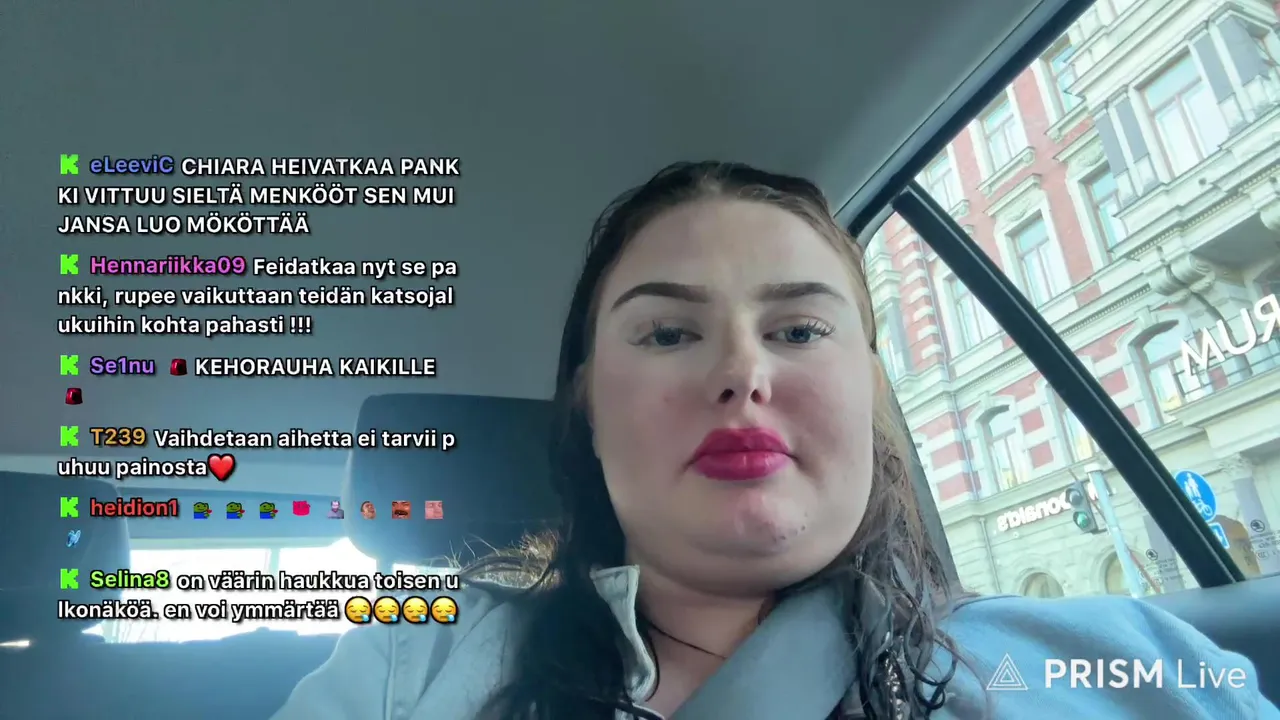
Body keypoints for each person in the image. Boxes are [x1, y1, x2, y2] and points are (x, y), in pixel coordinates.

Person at [274, 162, 1278, 719]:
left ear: (870, 390)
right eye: (668, 334)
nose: (741, 372)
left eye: (798, 330)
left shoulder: (1129, 668)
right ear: (585, 407)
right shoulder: (407, 675)